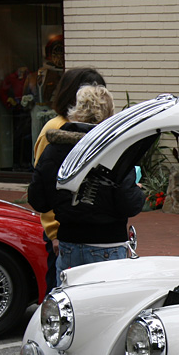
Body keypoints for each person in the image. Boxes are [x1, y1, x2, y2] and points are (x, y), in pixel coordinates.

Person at [28, 84, 144, 273]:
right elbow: (129, 204)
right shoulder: (115, 151)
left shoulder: (54, 150)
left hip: (69, 244)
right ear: (109, 113)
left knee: (70, 301)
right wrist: (138, 190)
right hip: (108, 245)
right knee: (106, 301)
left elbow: (38, 200)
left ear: (76, 110)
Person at [33, 67, 108, 288]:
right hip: (64, 236)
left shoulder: (97, 129)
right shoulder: (56, 129)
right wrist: (54, 232)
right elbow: (44, 185)